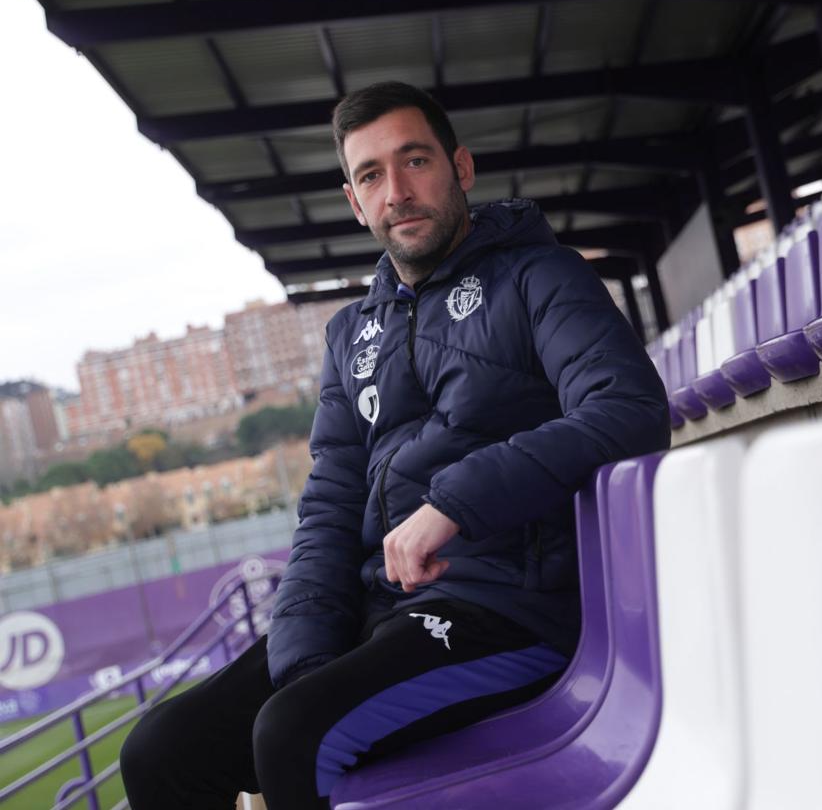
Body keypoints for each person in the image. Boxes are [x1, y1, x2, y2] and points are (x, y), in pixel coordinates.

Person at [120, 81, 672, 808]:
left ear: (460, 168)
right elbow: (329, 501)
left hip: (503, 609)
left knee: (292, 735)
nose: (398, 191)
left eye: (415, 161)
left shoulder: (542, 276)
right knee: (161, 750)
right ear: (354, 201)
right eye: (372, 175)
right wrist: (307, 655)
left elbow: (630, 409)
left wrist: (456, 502)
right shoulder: (351, 334)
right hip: (378, 612)